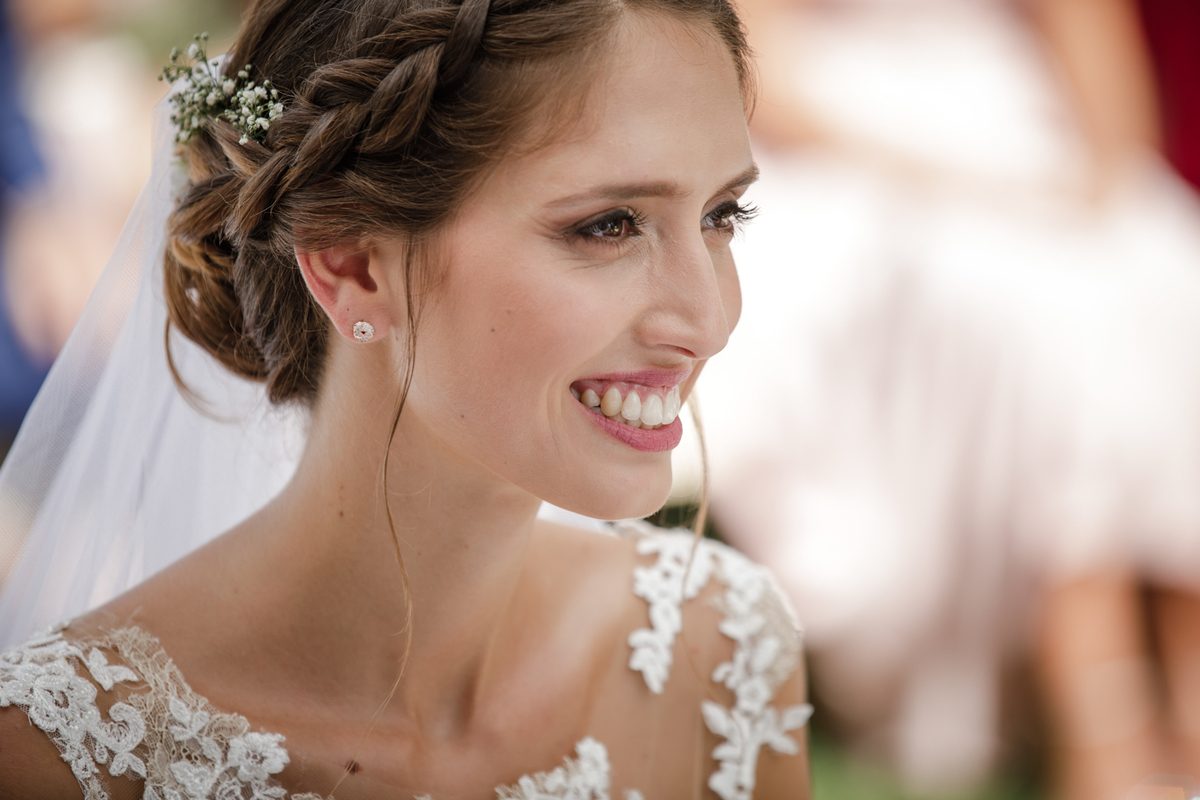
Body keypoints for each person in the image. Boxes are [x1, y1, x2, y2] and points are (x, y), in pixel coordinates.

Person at [0, 0, 813, 797]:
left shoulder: (726, 659)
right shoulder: (63, 756)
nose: (708, 321)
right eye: (608, 225)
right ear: (352, 265)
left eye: (721, 214)